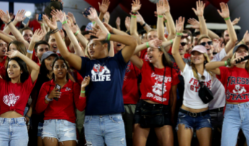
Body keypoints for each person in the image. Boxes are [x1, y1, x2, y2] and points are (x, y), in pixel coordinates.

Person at [42, 12, 137, 146]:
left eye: (94, 44)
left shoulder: (117, 62)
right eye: (89, 45)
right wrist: (56, 29)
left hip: (114, 120)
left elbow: (133, 42)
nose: (90, 47)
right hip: (91, 121)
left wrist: (109, 35)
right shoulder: (86, 64)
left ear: (105, 45)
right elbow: (66, 54)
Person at [130, 37, 179, 146]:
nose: (148, 53)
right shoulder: (144, 65)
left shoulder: (172, 72)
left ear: (161, 52)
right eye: (147, 52)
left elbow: (173, 97)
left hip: (163, 110)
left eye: (152, 50)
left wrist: (172, 116)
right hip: (144, 108)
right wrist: (147, 44)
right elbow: (130, 52)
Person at [172, 16, 213, 146]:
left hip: (204, 116)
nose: (195, 56)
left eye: (199, 54)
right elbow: (174, 52)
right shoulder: (187, 70)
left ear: (204, 56)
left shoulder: (212, 72)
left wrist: (202, 20)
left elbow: (226, 53)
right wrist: (178, 33)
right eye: (193, 53)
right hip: (185, 115)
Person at [36, 57, 90, 146]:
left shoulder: (74, 86)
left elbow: (80, 107)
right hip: (49, 124)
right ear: (52, 70)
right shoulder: (46, 85)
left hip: (68, 124)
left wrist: (83, 88)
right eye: (57, 67)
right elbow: (38, 109)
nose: (60, 69)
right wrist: (49, 97)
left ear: (67, 69)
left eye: (63, 66)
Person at [0, 49, 40, 146]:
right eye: (9, 66)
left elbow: (36, 68)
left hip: (19, 127)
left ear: (21, 70)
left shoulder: (26, 85)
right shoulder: (1, 83)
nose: (10, 69)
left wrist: (18, 54)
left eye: (14, 66)